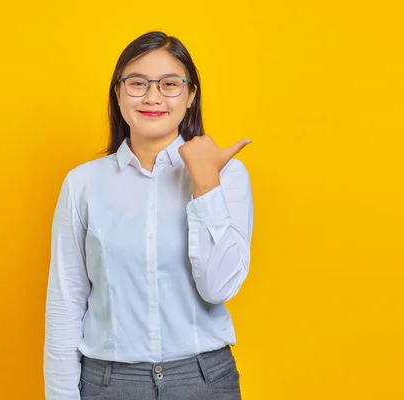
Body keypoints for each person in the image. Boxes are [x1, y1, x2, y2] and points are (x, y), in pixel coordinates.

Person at [43, 31, 254, 400]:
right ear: (118, 93)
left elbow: (218, 288)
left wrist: (206, 185)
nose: (153, 96)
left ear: (190, 96)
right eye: (138, 83)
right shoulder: (83, 184)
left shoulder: (228, 176)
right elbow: (66, 300)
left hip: (204, 380)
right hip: (109, 384)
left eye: (170, 84)